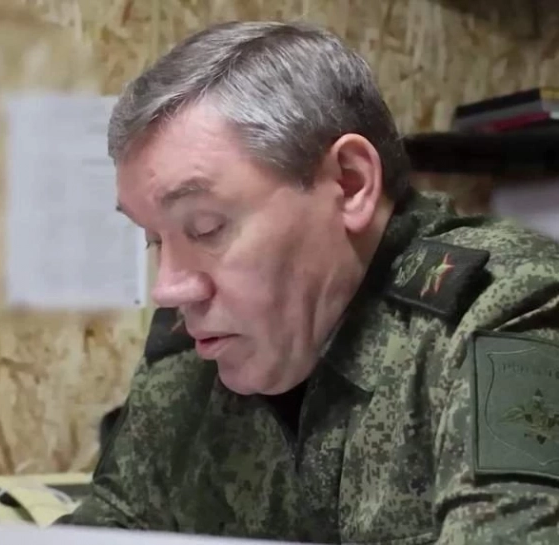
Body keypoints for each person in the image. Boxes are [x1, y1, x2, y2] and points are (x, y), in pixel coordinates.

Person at [59, 20, 559, 544]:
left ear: (350, 183)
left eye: (205, 227)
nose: (169, 289)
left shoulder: (504, 308)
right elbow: (109, 529)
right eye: (153, 239)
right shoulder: (188, 358)